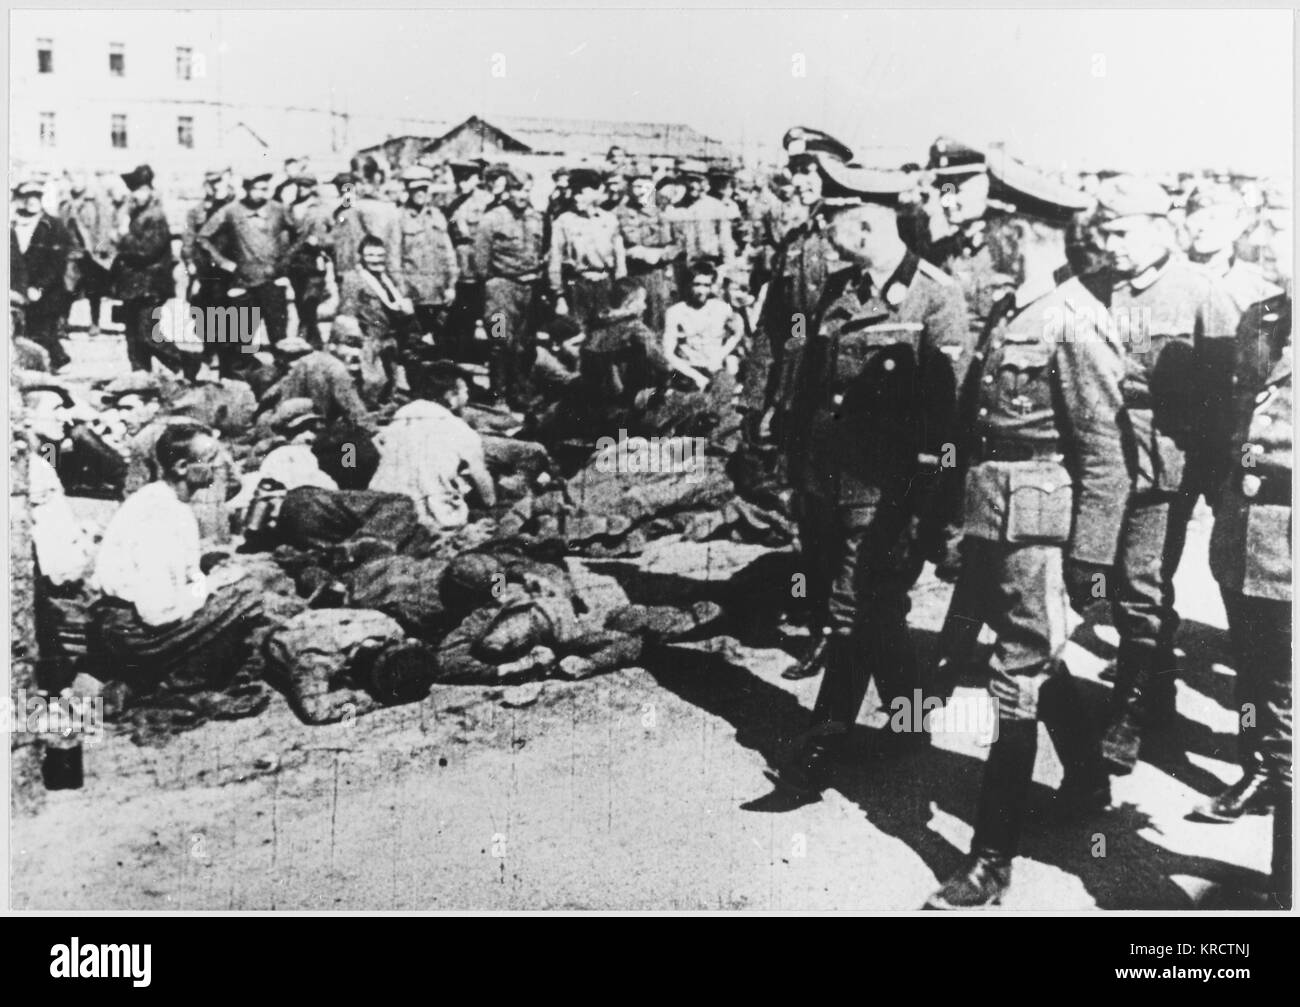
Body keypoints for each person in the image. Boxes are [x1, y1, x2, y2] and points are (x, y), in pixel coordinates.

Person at [924, 185, 1128, 909]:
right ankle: (1090, 780)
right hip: (992, 510)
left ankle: (990, 858)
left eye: (991, 228)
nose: (980, 239)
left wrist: (1091, 558)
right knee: (1033, 653)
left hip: (1040, 525)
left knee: (1016, 674)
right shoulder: (1016, 310)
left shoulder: (1076, 319)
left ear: (1024, 232)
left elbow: (1105, 453)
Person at [769, 162, 973, 797]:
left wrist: (929, 507)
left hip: (886, 488)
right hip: (828, 476)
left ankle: (815, 756)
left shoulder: (936, 297)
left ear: (867, 221)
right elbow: (813, 383)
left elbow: (948, 418)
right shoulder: (840, 288)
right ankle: (909, 722)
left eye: (834, 217)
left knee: (852, 608)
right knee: (877, 607)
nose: (824, 228)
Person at [1092, 175, 1240, 776]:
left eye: (1123, 232)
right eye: (1105, 232)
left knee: (1141, 584)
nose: (1113, 244)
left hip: (1163, 468)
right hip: (1102, 457)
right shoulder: (1097, 290)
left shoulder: (1202, 294)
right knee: (1102, 584)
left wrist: (1213, 479)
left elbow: (1232, 396)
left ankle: (1129, 715)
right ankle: (1158, 700)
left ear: (1160, 228)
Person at [89, 423, 275, 698]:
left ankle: (164, 673)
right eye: (211, 460)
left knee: (238, 587)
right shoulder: (160, 515)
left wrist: (210, 578)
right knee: (247, 596)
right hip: (131, 630)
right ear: (181, 467)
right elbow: (157, 611)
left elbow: (183, 576)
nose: (220, 466)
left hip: (133, 619)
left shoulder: (167, 501)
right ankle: (175, 682)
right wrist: (210, 586)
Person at [1203, 334, 1291, 909]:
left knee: (1288, 719)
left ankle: (1287, 891)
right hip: (1245, 544)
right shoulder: (1271, 322)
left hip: (1287, 554)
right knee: (1257, 685)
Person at [370, 359, 496, 531]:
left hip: (381, 506)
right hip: (432, 516)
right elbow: (481, 479)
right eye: (465, 391)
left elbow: (378, 442)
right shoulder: (459, 429)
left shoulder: (401, 416)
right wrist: (491, 503)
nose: (467, 396)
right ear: (451, 395)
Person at [197, 168, 295, 359]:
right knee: (242, 339)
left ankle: (283, 378)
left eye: (264, 188)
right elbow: (203, 238)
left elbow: (300, 234)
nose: (261, 193)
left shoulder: (279, 209)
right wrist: (224, 263)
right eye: (256, 189)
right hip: (243, 282)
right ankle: (242, 379)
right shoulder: (231, 210)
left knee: (279, 337)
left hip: (272, 281)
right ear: (246, 188)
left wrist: (285, 263)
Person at [110, 164, 197, 378]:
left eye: (140, 191)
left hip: (150, 286)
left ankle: (185, 366)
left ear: (150, 191)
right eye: (133, 191)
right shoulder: (137, 215)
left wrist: (122, 237)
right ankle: (140, 376)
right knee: (133, 337)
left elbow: (146, 251)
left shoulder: (155, 216)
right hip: (134, 287)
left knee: (148, 334)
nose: (135, 196)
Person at [473, 167, 547, 404]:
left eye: (526, 190)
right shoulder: (491, 219)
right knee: (499, 342)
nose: (522, 196)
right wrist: (495, 286)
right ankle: (498, 396)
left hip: (528, 290)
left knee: (523, 346)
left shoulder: (537, 219)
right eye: (516, 190)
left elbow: (542, 252)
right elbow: (480, 262)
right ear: (507, 191)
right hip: (499, 291)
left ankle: (519, 394)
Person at [338, 235, 418, 403]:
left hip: (390, 338)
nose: (376, 260)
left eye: (380, 256)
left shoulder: (388, 278)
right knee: (372, 383)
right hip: (369, 339)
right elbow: (348, 314)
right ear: (361, 257)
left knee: (390, 383)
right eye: (371, 255)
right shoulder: (353, 279)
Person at [549, 167, 627, 329]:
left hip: (605, 286)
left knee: (607, 335)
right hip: (577, 286)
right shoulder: (563, 221)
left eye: (581, 192)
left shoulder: (610, 220)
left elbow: (620, 257)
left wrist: (620, 287)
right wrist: (559, 296)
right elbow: (555, 260)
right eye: (574, 192)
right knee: (578, 333)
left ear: (597, 191)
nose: (576, 197)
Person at [11, 179, 72, 370]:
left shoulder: (53, 225)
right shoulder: (13, 224)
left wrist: (39, 287)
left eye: (36, 197)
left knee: (43, 333)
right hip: (21, 291)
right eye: (27, 197)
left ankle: (56, 363)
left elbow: (57, 263)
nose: (32, 201)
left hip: (46, 291)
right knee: (26, 334)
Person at [396, 165, 459, 346]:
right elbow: (394, 260)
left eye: (423, 188)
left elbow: (448, 254)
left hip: (438, 293)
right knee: (412, 345)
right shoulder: (399, 217)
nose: (420, 193)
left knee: (437, 345)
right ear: (408, 190)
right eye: (415, 189)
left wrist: (451, 286)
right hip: (413, 294)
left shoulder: (437, 216)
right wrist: (402, 294)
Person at [182, 169, 236, 369]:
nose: (215, 186)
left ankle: (230, 356)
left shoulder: (236, 207)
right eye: (211, 182)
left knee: (233, 312)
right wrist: (189, 262)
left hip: (232, 268)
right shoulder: (197, 211)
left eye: (219, 181)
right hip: (206, 270)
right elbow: (188, 240)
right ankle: (210, 350)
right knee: (203, 310)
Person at [663, 259, 745, 389]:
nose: (702, 291)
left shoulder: (722, 308)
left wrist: (721, 354)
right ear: (688, 285)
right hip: (689, 370)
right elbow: (668, 353)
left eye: (706, 285)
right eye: (697, 284)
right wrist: (696, 377)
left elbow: (738, 332)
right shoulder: (675, 312)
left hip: (715, 367)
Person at [617, 168, 680, 333]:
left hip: (661, 272)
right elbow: (620, 245)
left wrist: (662, 254)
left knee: (661, 317)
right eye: (636, 186)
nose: (639, 192)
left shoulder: (664, 209)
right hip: (634, 273)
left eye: (644, 186)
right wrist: (639, 252)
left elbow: (678, 242)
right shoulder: (621, 212)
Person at [445, 159, 494, 361]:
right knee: (464, 312)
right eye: (459, 179)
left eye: (467, 178)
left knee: (494, 313)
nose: (462, 183)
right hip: (462, 268)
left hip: (485, 267)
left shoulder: (487, 201)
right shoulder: (451, 201)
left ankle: (495, 350)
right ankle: (464, 356)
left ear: (476, 179)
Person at [59, 173, 117, 339]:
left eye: (79, 178)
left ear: (85, 181)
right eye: (73, 179)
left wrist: (99, 248)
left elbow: (103, 226)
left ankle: (95, 323)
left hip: (91, 253)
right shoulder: (65, 202)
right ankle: (63, 323)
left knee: (94, 289)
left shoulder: (94, 201)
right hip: (72, 251)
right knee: (67, 287)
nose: (76, 183)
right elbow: (61, 226)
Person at [284, 172, 334, 347]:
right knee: (300, 304)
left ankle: (304, 336)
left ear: (313, 187)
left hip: (315, 262)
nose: (301, 189)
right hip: (296, 264)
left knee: (309, 302)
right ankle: (316, 343)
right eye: (299, 185)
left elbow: (334, 234)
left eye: (305, 185)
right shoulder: (290, 208)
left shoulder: (322, 208)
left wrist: (320, 241)